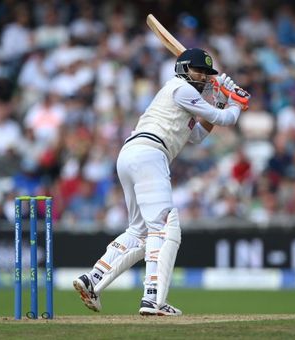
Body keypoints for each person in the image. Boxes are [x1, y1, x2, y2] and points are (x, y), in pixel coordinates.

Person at [73, 48, 248, 316]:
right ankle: (153, 299)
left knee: (139, 231)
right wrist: (235, 102)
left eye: (205, 73)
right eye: (197, 70)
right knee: (166, 228)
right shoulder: (181, 88)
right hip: (150, 155)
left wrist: (223, 100)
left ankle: (93, 280)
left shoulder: (183, 96)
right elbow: (225, 119)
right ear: (183, 68)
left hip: (132, 155)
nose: (202, 76)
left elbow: (199, 134)